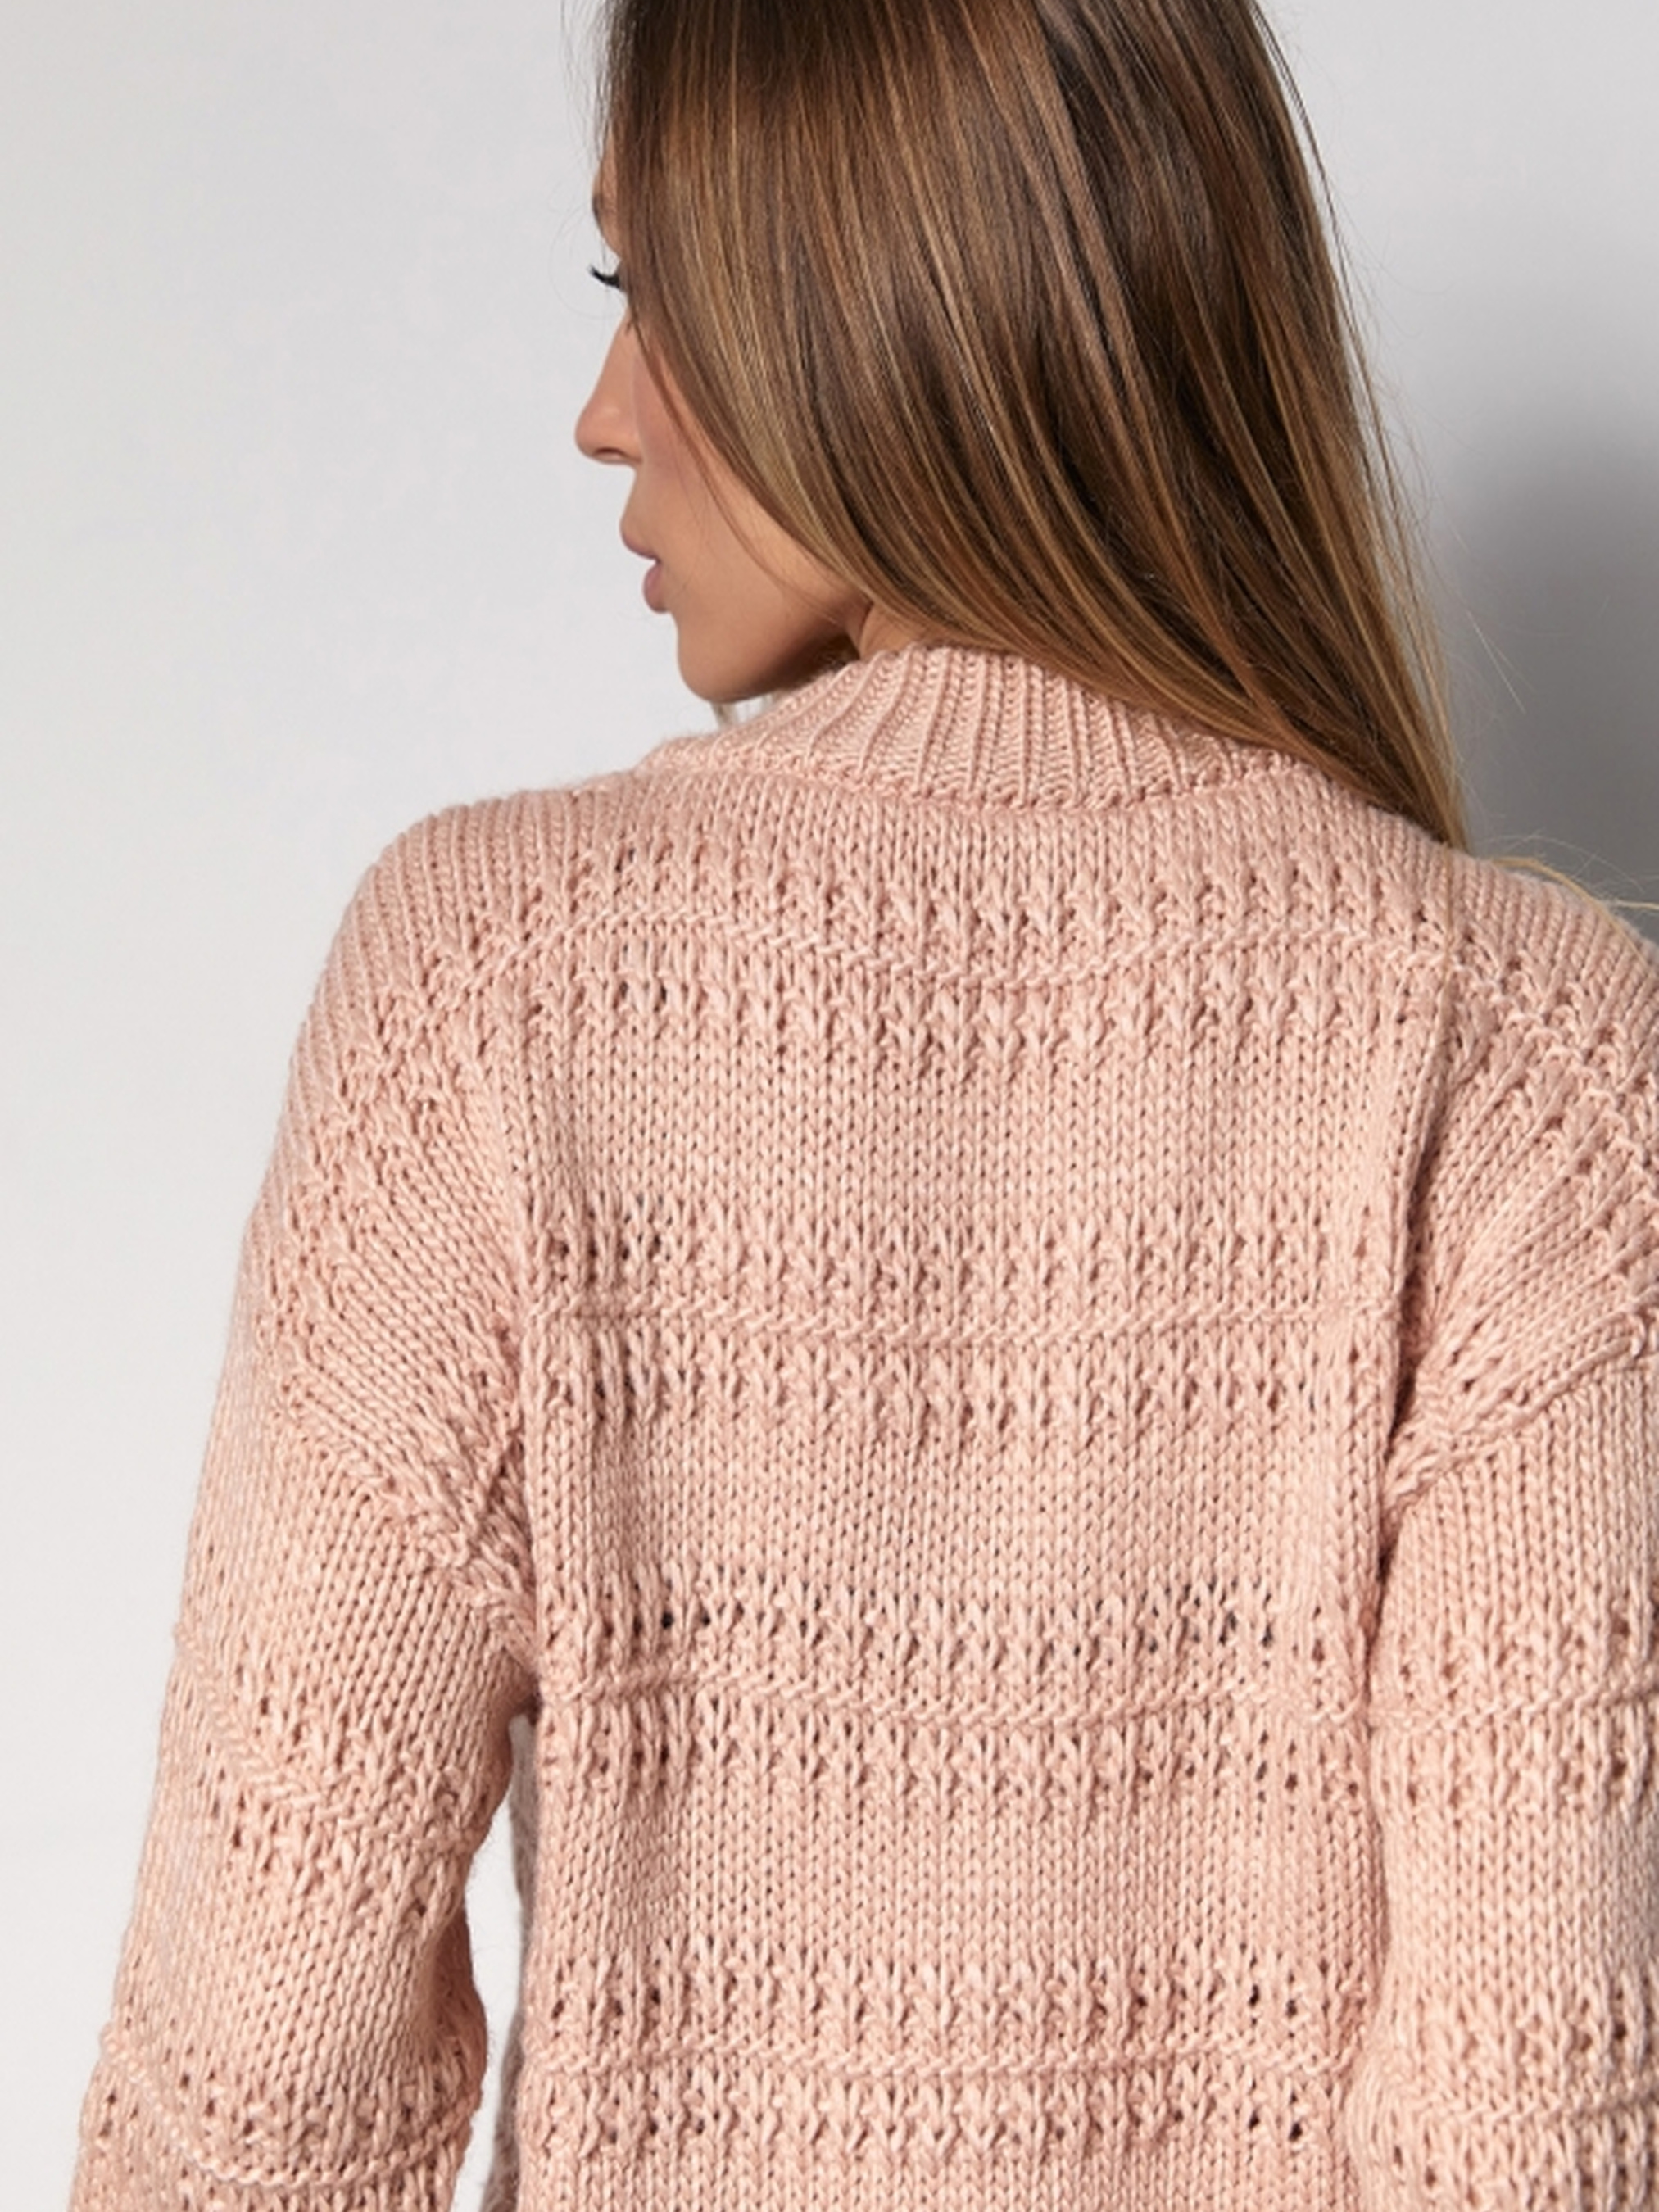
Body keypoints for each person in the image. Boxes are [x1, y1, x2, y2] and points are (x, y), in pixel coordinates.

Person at [70, 0, 1659, 2205]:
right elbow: (1534, 2145)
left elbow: (251, 2104)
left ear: (879, 302)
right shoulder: (1537, 1064)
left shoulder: (489, 994)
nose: (599, 412)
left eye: (649, 292)